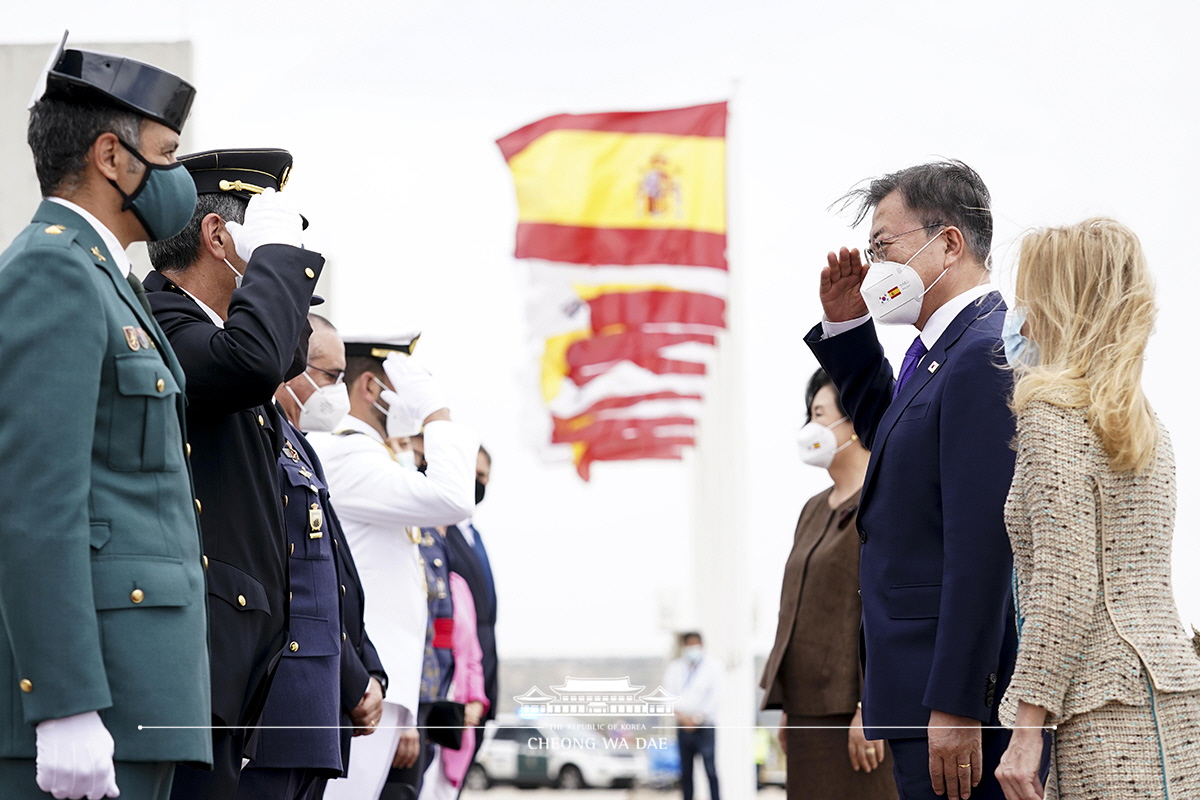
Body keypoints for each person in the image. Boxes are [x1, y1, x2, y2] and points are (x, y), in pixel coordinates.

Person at [0, 38, 210, 799]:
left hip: (137, 688)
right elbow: (35, 502)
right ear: (113, 157)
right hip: (95, 698)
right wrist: (63, 703)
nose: (180, 178)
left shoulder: (100, 275)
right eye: (168, 153)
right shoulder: (54, 270)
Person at [804, 161, 1035, 800]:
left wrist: (959, 703)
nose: (876, 269)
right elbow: (895, 444)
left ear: (950, 244)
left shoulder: (984, 354)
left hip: (948, 703)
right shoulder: (942, 351)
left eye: (885, 247)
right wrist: (848, 329)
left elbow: (982, 545)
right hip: (914, 691)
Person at [993, 219, 1200, 800]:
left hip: (1102, 710)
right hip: (1175, 699)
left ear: (1060, 308)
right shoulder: (1146, 424)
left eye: (1030, 297)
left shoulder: (1050, 418)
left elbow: (1066, 580)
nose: (1020, 315)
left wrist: (1027, 728)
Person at [144, 147, 324, 798]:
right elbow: (254, 363)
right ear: (219, 237)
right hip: (191, 671)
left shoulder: (215, 335)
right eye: (261, 231)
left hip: (230, 674)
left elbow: (279, 354)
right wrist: (275, 264)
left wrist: (281, 269)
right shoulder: (162, 321)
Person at [311, 336, 478, 800]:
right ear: (371, 387)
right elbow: (454, 497)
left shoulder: (370, 456)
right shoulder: (347, 453)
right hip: (360, 686)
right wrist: (437, 415)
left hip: (377, 686)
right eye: (405, 387)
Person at [235, 313, 373, 800]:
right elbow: (287, 578)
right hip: (282, 702)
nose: (338, 390)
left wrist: (366, 670)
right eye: (330, 375)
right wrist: (356, 682)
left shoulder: (301, 447)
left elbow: (335, 581)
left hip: (314, 706)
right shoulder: (259, 437)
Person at [759, 369, 897, 800]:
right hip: (806, 710)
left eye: (820, 414)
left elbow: (885, 611)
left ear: (853, 419)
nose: (810, 428)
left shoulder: (883, 500)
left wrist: (870, 708)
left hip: (854, 713)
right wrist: (786, 705)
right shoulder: (813, 509)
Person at [441, 446, 499, 734]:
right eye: (474, 474)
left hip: (482, 672)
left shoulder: (474, 535)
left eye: (484, 476)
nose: (479, 483)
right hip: (453, 681)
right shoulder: (440, 531)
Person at [662, 632, 721, 800]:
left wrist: (696, 719)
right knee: (686, 772)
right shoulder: (675, 668)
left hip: (705, 725)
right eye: (688, 645)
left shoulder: (714, 667)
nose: (692, 649)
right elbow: (667, 697)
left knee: (710, 770)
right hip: (682, 725)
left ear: (702, 645)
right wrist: (682, 718)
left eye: (695, 645)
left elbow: (715, 697)